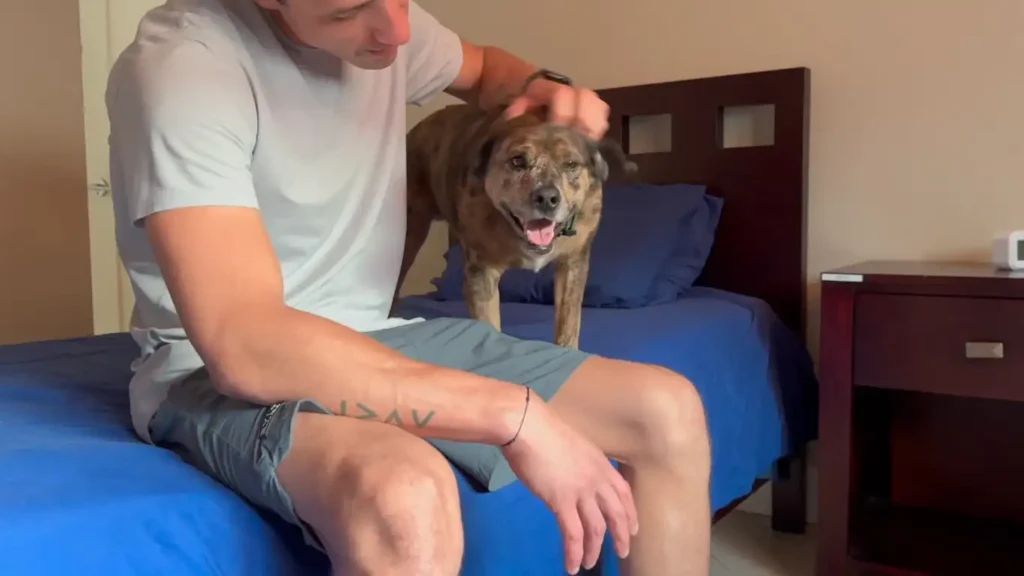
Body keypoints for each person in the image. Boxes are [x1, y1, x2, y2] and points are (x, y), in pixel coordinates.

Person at [105, 0, 712, 575]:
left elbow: (483, 70)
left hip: (381, 336)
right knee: (404, 493)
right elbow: (247, 345)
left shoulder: (389, 21)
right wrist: (511, 412)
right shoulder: (184, 70)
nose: (396, 33)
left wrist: (546, 87)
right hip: (215, 363)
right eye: (348, 11)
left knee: (667, 410)